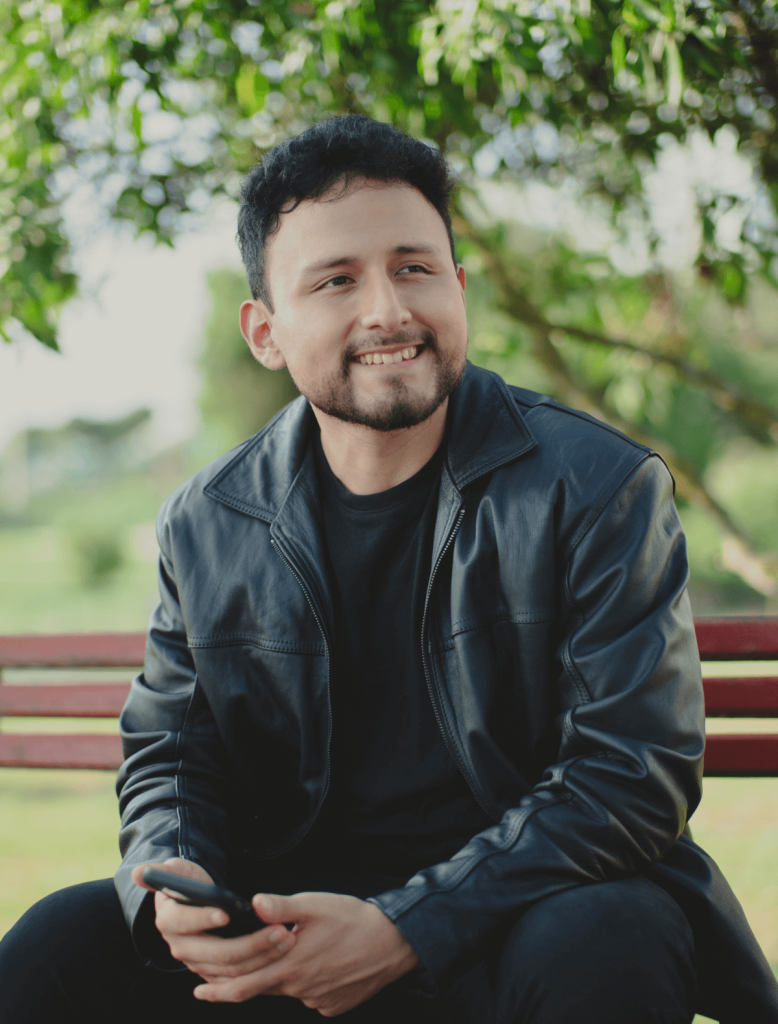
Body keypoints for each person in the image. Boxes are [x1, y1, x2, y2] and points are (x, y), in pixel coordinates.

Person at [1, 115, 776, 1024]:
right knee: (59, 945)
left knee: (610, 932)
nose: (388, 311)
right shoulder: (207, 521)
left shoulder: (597, 486)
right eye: (336, 280)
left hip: (516, 920)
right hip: (288, 923)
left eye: (415, 268)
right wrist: (174, 883)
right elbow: (173, 754)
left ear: (458, 287)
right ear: (265, 332)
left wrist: (408, 925)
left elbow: (629, 774)